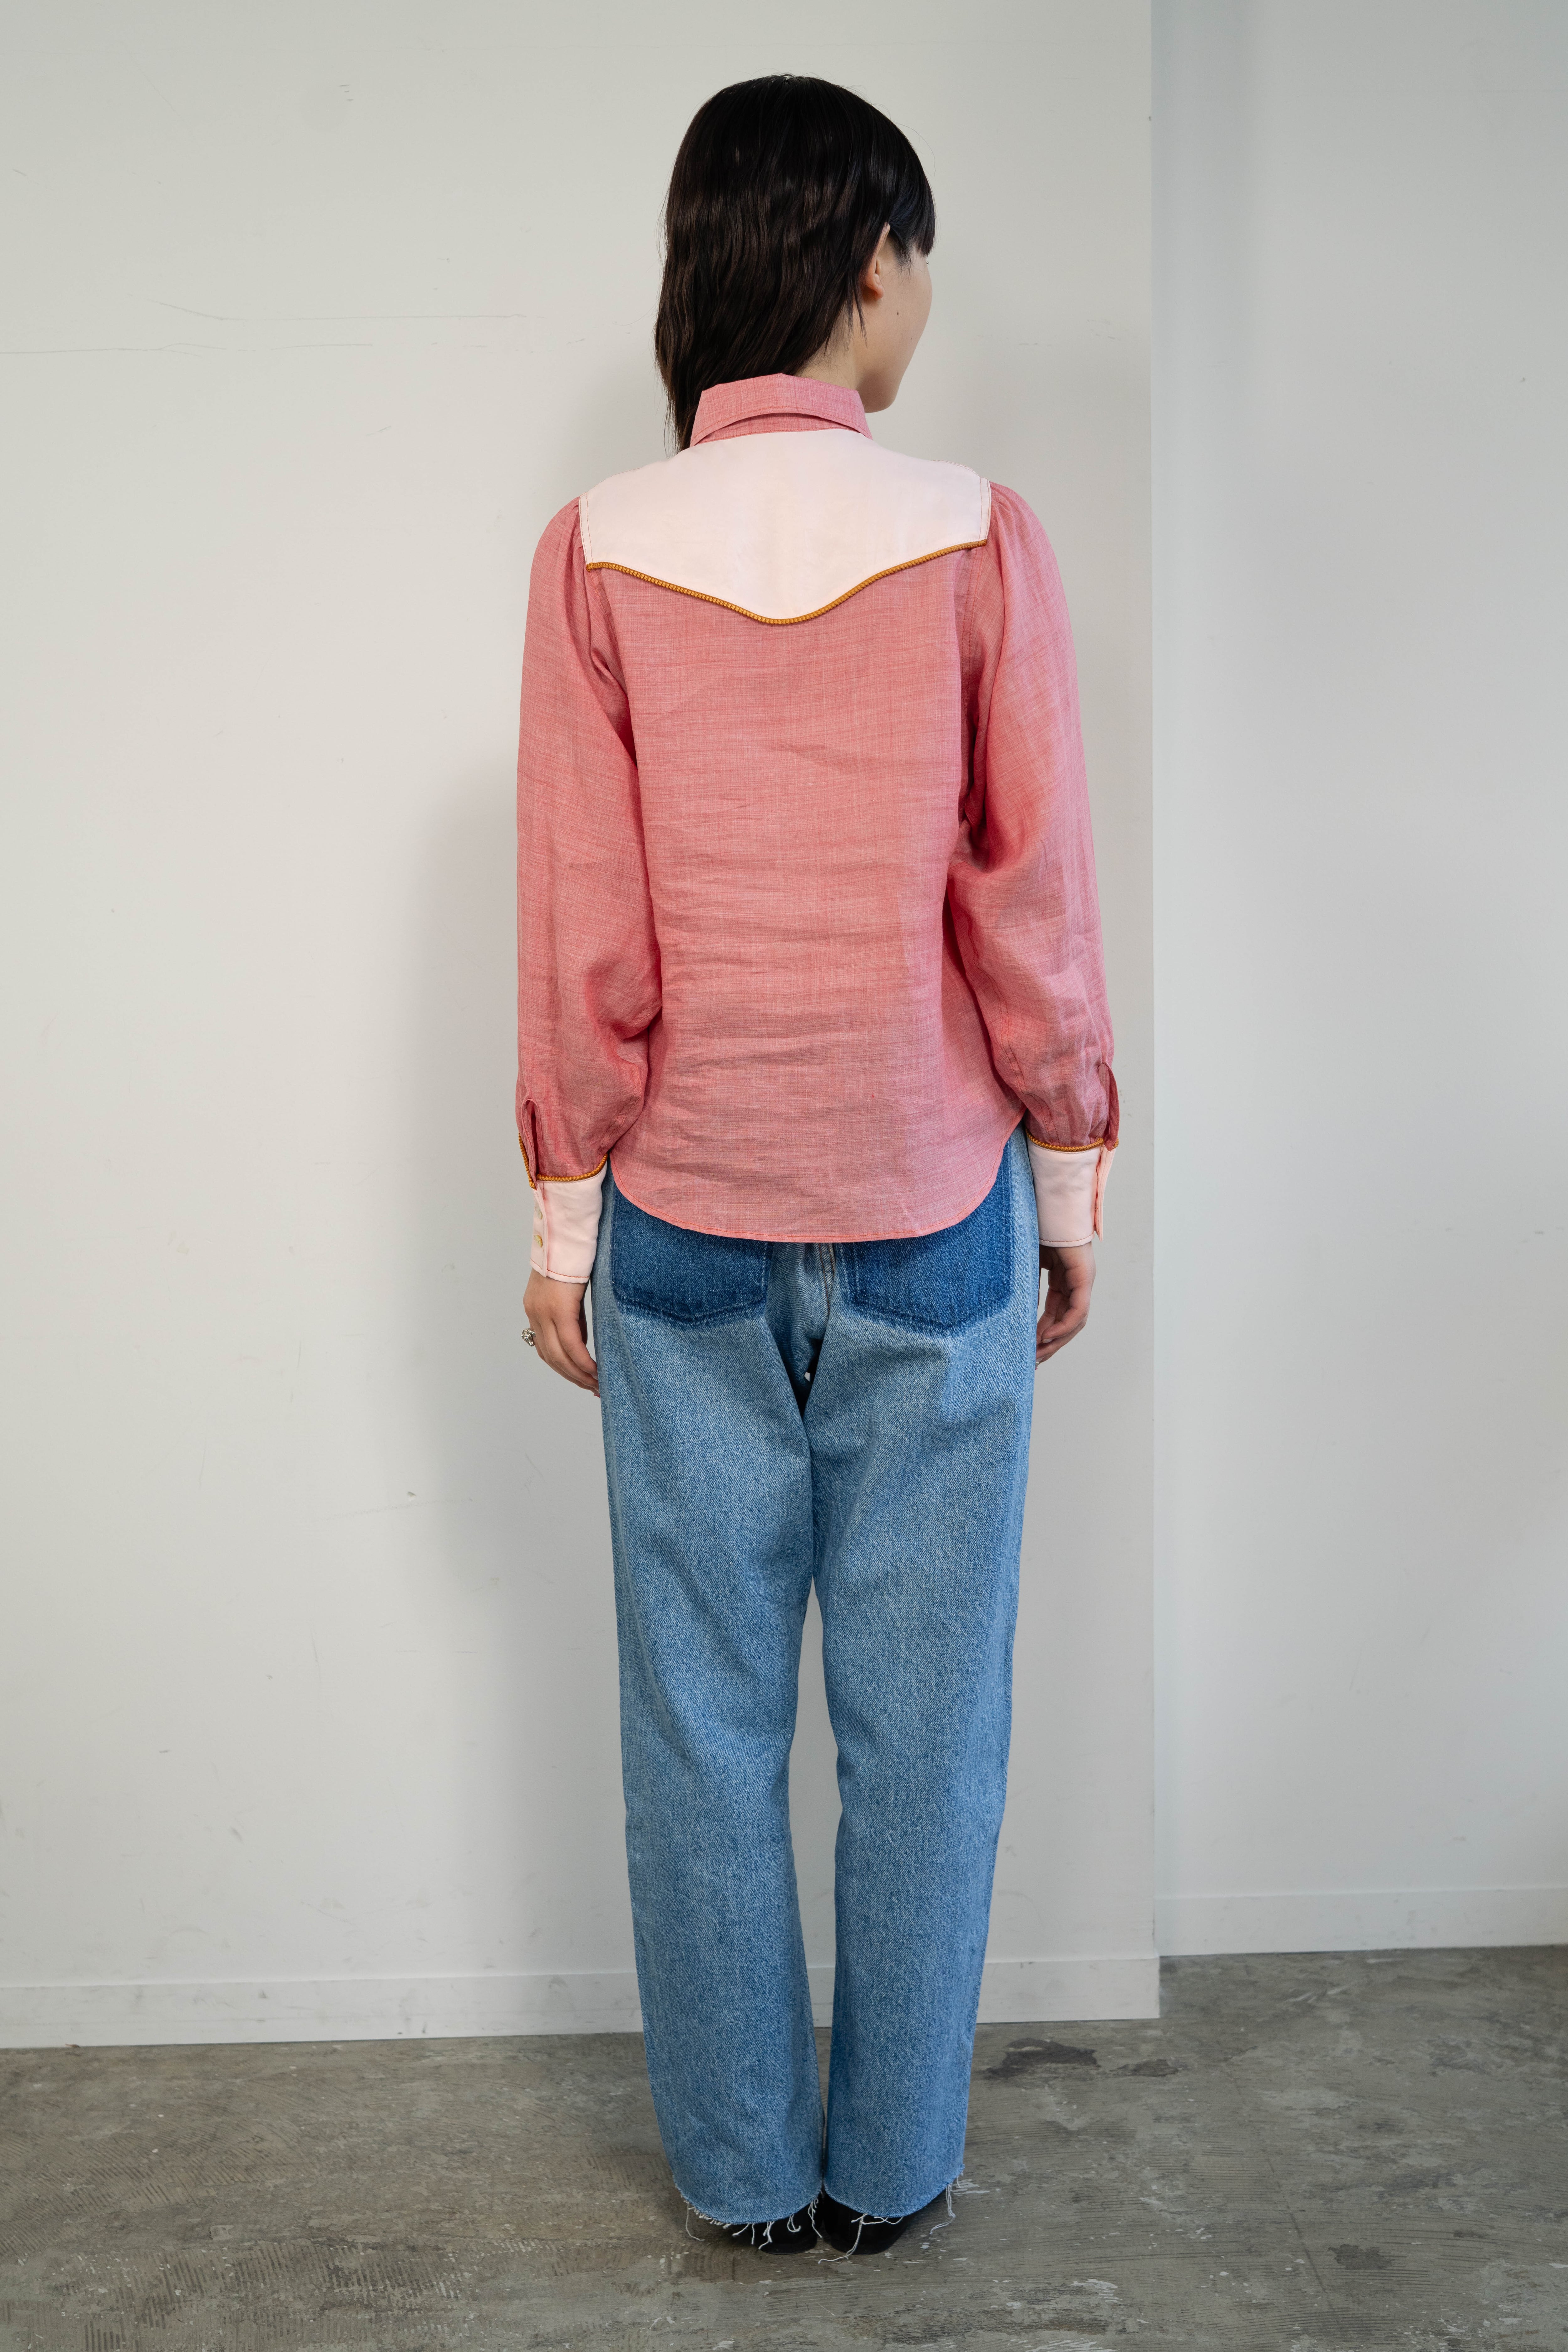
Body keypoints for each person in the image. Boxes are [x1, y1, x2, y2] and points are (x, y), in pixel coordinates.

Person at [515, 74, 1117, 2258]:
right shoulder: (975, 532)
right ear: (869, 260)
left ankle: (745, 2175)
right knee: (925, 1728)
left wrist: (563, 1215)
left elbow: (583, 926)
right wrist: (1068, 1180)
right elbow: (1026, 899)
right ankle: (891, 2170)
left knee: (698, 1724)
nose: (922, 299)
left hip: (681, 1219)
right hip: (934, 1212)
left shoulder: (596, 546)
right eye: (917, 260)